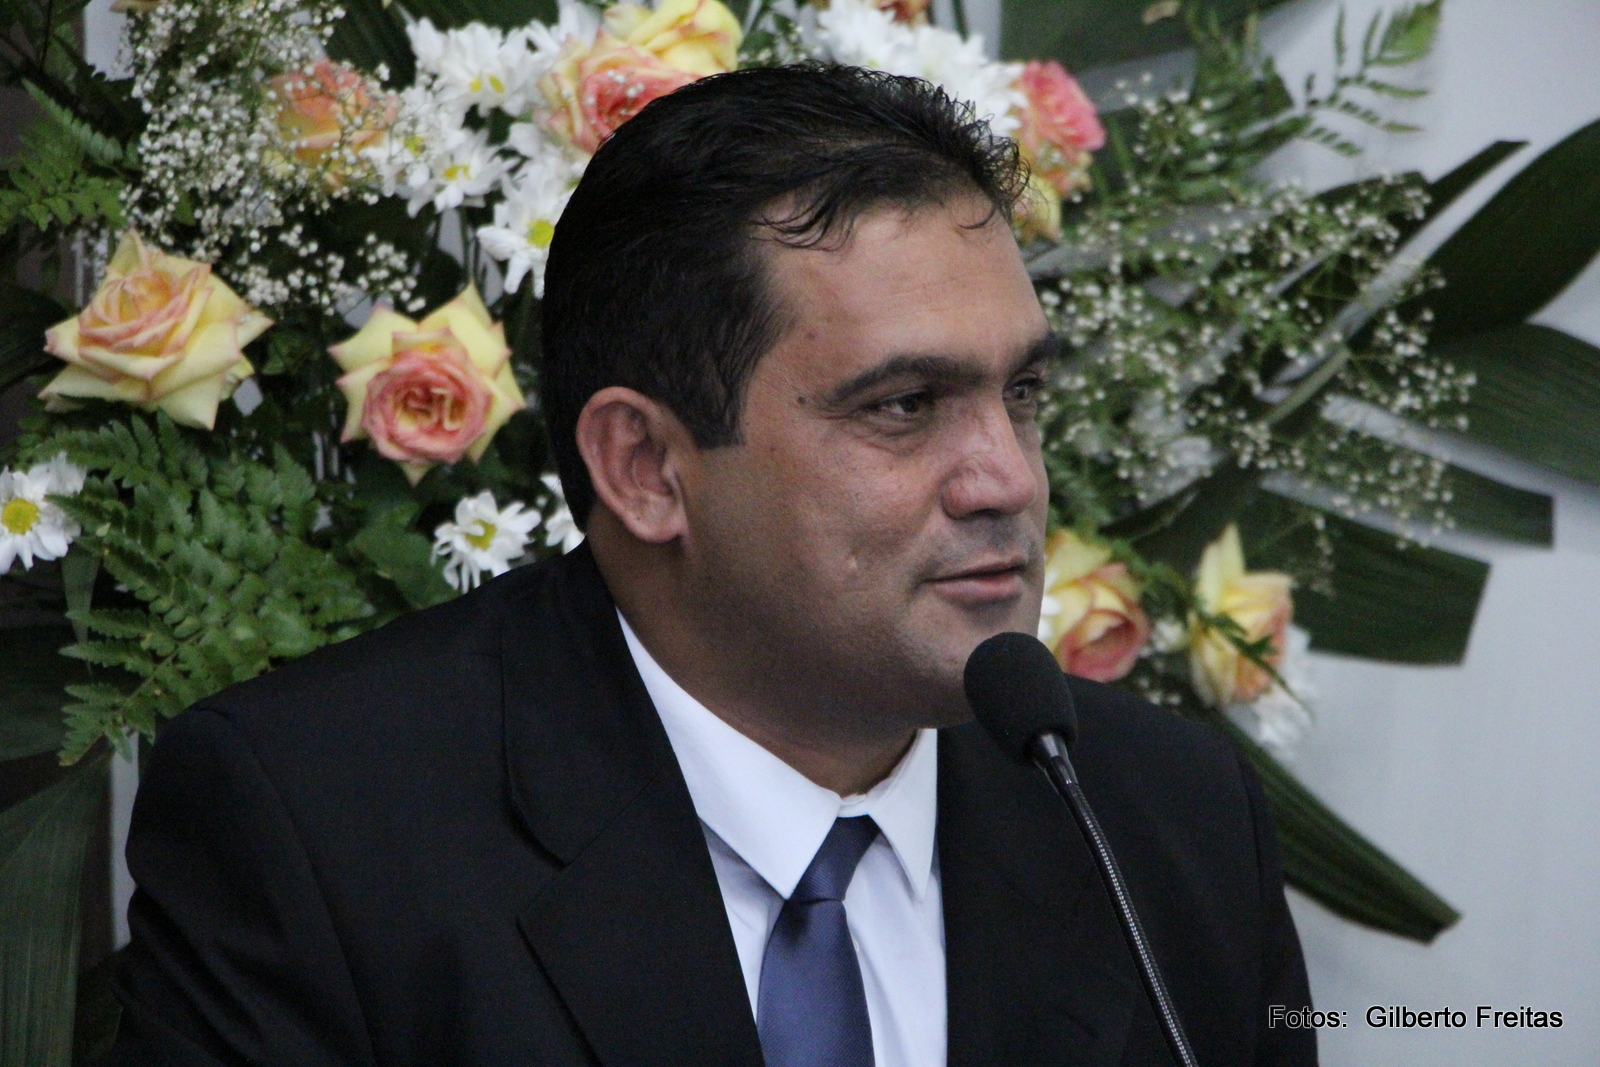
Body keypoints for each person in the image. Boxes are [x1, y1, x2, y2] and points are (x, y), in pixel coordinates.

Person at [111, 65, 1315, 1067]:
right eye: (904, 406)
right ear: (645, 466)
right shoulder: (319, 832)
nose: (1006, 478)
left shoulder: (1169, 820)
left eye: (1024, 394)